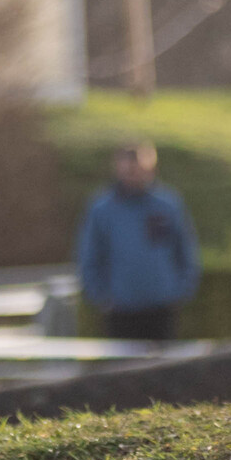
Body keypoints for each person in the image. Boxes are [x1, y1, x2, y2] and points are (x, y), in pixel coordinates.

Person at [75, 141, 200, 349]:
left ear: (151, 168)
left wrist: (180, 290)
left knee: (165, 372)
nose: (133, 174)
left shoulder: (168, 204)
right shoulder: (102, 209)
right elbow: (89, 256)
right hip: (121, 311)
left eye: (138, 168)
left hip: (162, 309)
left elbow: (186, 250)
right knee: (124, 374)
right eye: (128, 169)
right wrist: (102, 297)